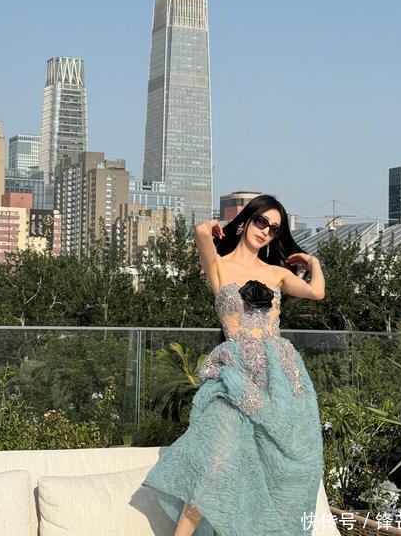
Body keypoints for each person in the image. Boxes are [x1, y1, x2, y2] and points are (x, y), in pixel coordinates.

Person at [138, 194, 326, 536]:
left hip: (279, 378)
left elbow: (317, 293)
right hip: (235, 373)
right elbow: (200, 234)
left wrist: (313, 262)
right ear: (246, 221)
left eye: (274, 229)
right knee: (215, 460)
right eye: (261, 222)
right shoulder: (220, 267)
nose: (266, 231)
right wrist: (208, 227)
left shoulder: (277, 273)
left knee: (282, 462)